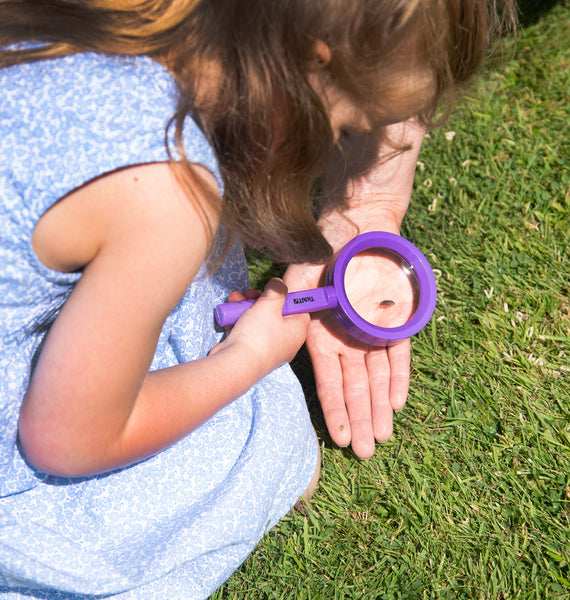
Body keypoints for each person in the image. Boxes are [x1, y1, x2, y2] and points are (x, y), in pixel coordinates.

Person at [0, 1, 517, 598]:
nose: (340, 151)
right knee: (272, 443)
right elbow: (69, 440)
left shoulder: (115, 25)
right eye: (348, 130)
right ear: (306, 67)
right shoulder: (166, 189)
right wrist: (248, 357)